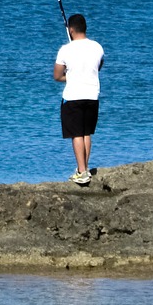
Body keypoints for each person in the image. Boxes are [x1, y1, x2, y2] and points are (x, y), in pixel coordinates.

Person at [54, 13, 105, 185]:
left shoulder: (65, 50)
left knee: (76, 134)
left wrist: (70, 76)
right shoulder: (97, 47)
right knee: (86, 133)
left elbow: (57, 75)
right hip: (92, 95)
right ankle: (84, 168)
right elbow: (98, 67)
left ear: (71, 30)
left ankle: (82, 172)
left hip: (73, 97)